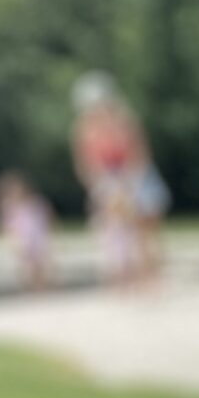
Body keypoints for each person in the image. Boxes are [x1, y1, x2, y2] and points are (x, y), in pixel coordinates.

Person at [70, 72, 169, 286]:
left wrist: (130, 183)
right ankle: (126, 278)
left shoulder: (125, 121)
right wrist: (102, 187)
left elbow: (139, 156)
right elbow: (86, 165)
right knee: (116, 231)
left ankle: (150, 276)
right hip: (108, 180)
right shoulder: (84, 130)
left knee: (145, 229)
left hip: (136, 177)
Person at [0, 171, 55, 290]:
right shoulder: (8, 207)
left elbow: (47, 216)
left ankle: (43, 286)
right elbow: (3, 225)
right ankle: (33, 287)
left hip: (37, 237)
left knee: (42, 262)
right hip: (22, 239)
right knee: (28, 265)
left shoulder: (35, 203)